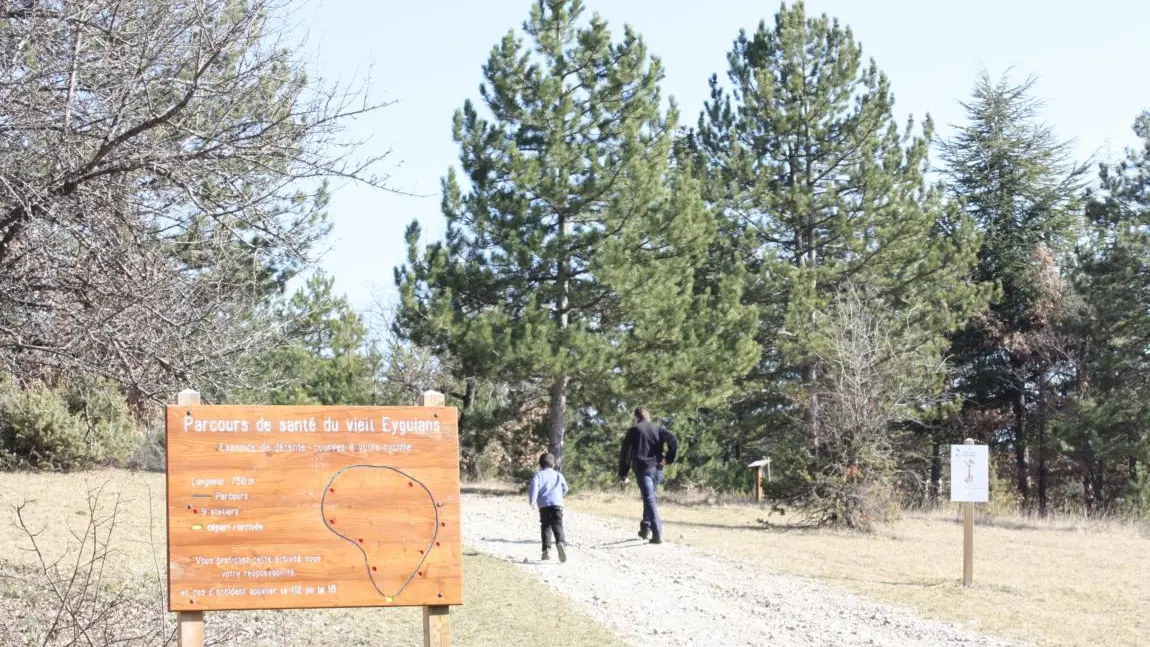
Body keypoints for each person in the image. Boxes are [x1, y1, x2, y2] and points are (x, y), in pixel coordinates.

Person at [617, 407, 678, 544]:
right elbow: (673, 439)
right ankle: (645, 527)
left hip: (643, 469)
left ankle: (657, 534)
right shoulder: (658, 429)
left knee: (649, 499)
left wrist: (623, 473)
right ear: (648, 417)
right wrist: (669, 458)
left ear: (636, 417)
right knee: (649, 498)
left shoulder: (634, 431)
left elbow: (625, 454)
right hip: (658, 469)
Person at [528, 452, 569, 562]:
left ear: (540, 465)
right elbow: (565, 488)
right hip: (557, 504)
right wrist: (560, 496)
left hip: (544, 505)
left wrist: (532, 500)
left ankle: (546, 550)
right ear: (553, 464)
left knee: (546, 526)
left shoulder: (538, 475)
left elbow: (534, 488)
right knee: (558, 525)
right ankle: (560, 543)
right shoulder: (558, 475)